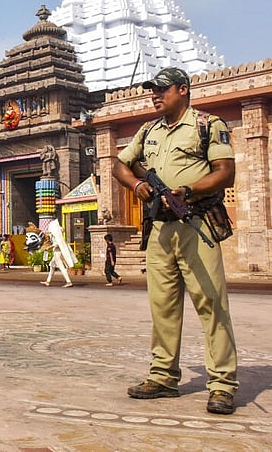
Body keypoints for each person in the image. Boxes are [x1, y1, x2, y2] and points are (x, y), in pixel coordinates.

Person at [113, 66, 238, 414]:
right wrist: (138, 186)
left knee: (211, 304)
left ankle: (223, 384)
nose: (155, 95)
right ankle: (163, 376)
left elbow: (225, 173)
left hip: (195, 223)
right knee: (163, 307)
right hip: (160, 229)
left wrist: (187, 190)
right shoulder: (148, 130)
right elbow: (120, 165)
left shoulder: (208, 125)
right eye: (153, 90)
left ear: (182, 90)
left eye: (162, 90)